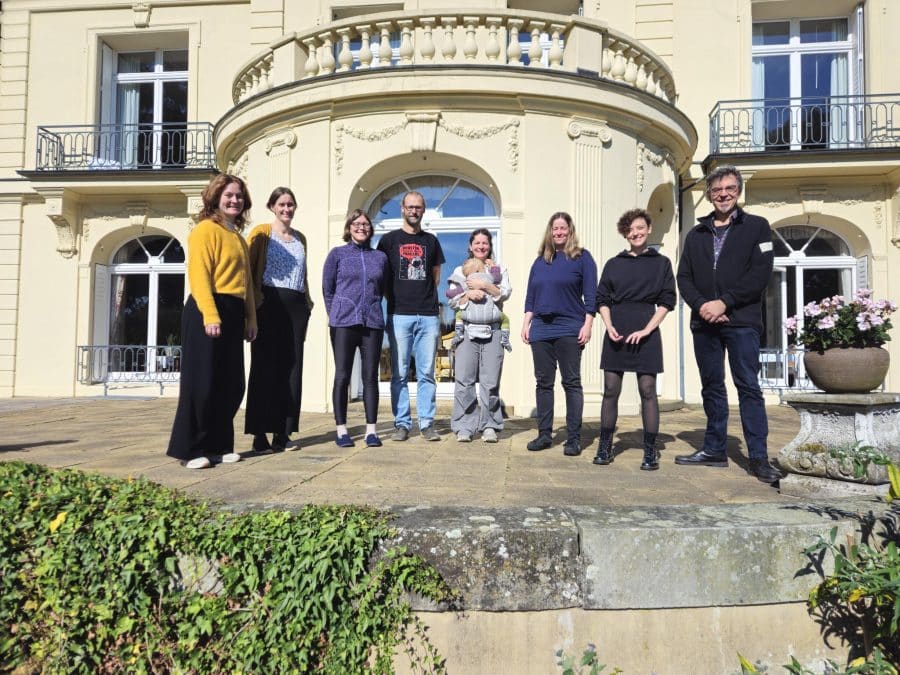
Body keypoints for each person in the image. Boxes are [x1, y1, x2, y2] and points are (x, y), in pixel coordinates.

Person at [675, 165, 783, 483]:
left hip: (742, 322)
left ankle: (759, 458)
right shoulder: (695, 234)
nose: (723, 194)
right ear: (709, 194)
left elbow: (760, 273)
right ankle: (714, 450)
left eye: (729, 189)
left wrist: (726, 302)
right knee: (712, 387)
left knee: (748, 387)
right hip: (704, 323)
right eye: (717, 189)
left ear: (739, 191)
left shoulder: (758, 227)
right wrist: (703, 306)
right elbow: (684, 277)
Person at [167, 174, 257, 469]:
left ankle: (218, 446)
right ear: (216, 197)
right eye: (229, 195)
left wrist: (250, 318)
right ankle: (191, 450)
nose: (235, 200)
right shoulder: (205, 230)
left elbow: (247, 284)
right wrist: (210, 315)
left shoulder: (238, 238)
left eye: (239, 196)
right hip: (208, 309)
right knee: (202, 383)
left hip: (233, 310)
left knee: (230, 384)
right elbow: (199, 276)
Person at [594, 209, 676, 470]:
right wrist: (608, 326)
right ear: (625, 234)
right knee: (610, 390)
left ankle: (650, 451)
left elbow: (666, 301)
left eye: (640, 228)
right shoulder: (614, 263)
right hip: (616, 330)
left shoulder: (661, 263)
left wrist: (647, 330)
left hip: (647, 330)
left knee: (648, 391)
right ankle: (605, 447)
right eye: (630, 230)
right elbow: (602, 299)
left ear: (649, 228)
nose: (636, 233)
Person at [522, 212, 597, 456]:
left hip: (569, 326)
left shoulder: (582, 258)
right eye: (555, 228)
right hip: (541, 328)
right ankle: (544, 434)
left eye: (563, 228)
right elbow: (531, 296)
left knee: (571, 382)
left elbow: (591, 295)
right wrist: (526, 323)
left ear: (570, 230)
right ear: (550, 231)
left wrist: (588, 325)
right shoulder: (540, 261)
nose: (559, 232)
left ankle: (573, 439)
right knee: (543, 383)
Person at [244, 187, 313, 453]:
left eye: (291, 204)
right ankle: (259, 434)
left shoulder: (301, 238)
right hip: (267, 303)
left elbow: (302, 275)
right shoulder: (261, 233)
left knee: (292, 370)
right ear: (272, 206)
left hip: (296, 305)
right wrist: (251, 308)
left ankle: (283, 433)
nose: (287, 209)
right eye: (282, 204)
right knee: (264, 368)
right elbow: (250, 271)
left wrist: (306, 305)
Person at [377, 190, 445, 441]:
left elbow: (435, 277)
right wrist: (395, 298)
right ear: (402, 209)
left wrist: (423, 297)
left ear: (423, 211)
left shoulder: (432, 242)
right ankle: (402, 423)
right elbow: (382, 277)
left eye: (418, 207)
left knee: (427, 372)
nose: (414, 211)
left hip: (428, 315)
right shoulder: (388, 241)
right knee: (400, 373)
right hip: (398, 315)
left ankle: (427, 423)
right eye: (410, 207)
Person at [322, 209, 389, 448]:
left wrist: (371, 307)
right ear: (349, 227)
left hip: (372, 322)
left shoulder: (379, 257)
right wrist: (336, 313)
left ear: (370, 229)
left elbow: (382, 289)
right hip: (343, 323)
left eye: (365, 224)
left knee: (370, 377)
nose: (361, 227)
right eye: (356, 223)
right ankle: (341, 430)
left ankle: (372, 430)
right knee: (342, 376)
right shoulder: (337, 255)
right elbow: (328, 289)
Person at [446, 229, 512, 443]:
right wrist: (468, 293)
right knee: (464, 381)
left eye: (485, 243)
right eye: (477, 243)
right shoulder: (460, 269)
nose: (481, 246)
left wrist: (484, 285)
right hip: (466, 330)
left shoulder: (498, 270)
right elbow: (452, 299)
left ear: (490, 246)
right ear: (470, 246)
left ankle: (490, 425)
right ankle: (464, 426)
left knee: (490, 381)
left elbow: (506, 292)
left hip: (493, 330)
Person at [445, 256, 512, 352]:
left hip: (470, 317)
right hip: (491, 316)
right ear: (479, 270)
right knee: (505, 319)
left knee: (459, 315)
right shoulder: (489, 279)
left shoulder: (466, 283)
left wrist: (464, 293)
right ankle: (505, 339)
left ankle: (459, 333)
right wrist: (493, 266)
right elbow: (497, 278)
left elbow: (449, 294)